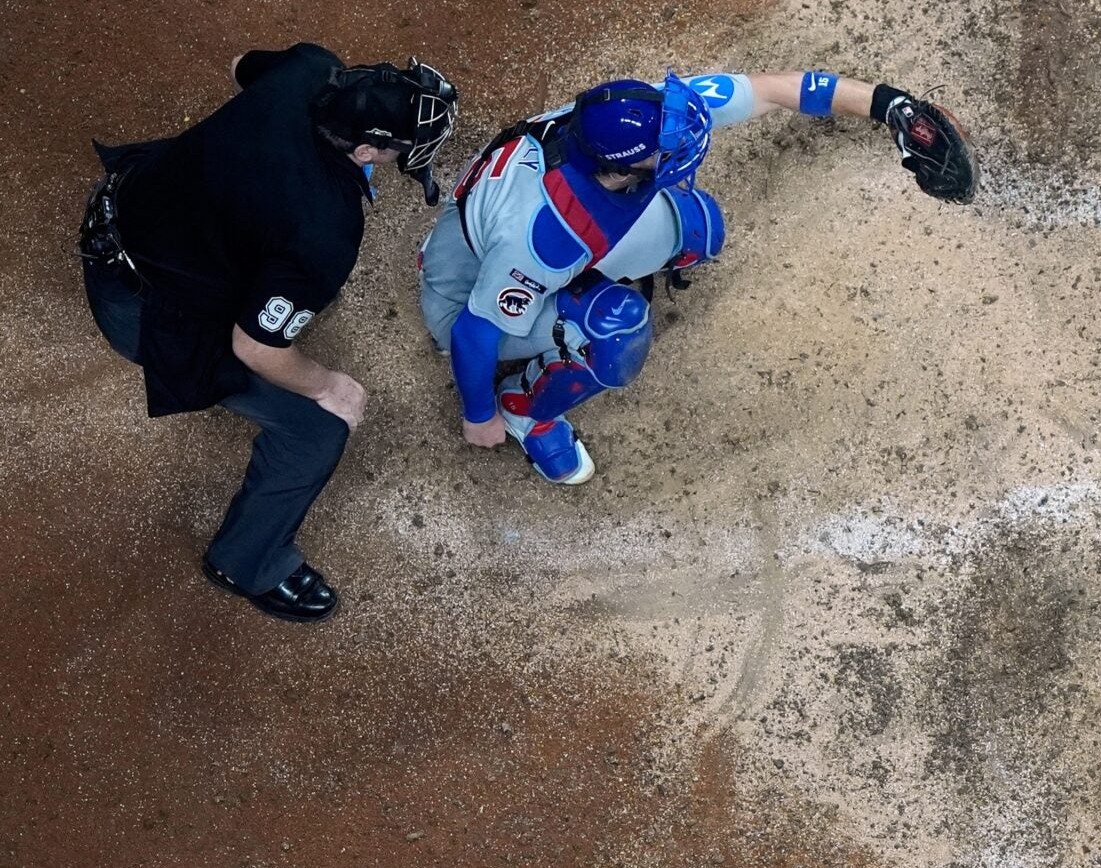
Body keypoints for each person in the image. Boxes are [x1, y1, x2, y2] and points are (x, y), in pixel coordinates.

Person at [417, 69, 973, 484]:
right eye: (669, 151)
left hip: (520, 230)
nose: (687, 141)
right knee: (618, 329)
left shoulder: (634, 117)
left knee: (699, 229)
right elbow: (473, 332)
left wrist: (892, 107)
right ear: (621, 170)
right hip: (464, 294)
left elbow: (776, 90)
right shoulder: (550, 234)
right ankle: (524, 409)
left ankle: (573, 311)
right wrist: (478, 416)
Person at [79, 46, 459, 622]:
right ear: (364, 151)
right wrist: (327, 385)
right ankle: (246, 563)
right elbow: (255, 348)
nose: (404, 154)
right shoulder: (326, 230)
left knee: (269, 266)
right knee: (316, 433)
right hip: (140, 307)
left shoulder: (309, 67)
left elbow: (238, 66)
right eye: (396, 147)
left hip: (134, 199)